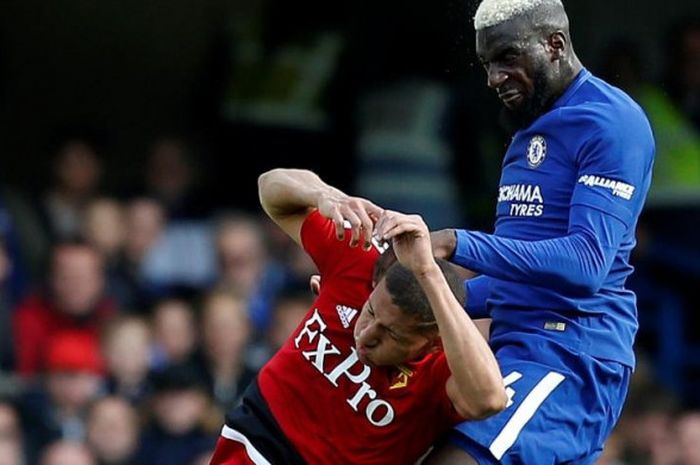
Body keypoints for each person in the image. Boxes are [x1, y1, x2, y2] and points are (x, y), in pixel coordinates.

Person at [421, 1, 655, 464]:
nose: (494, 77)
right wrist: (412, 288)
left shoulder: (610, 122)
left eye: (507, 56)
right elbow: (518, 282)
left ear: (555, 45)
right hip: (517, 348)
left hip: (568, 354)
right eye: (487, 64)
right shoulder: (528, 135)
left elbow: (586, 263)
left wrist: (455, 243)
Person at [209, 168, 507, 465]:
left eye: (392, 334)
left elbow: (490, 399)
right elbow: (269, 189)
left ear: (431, 344)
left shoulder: (445, 367)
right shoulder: (359, 258)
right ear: (376, 283)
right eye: (370, 311)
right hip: (255, 442)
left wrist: (427, 270)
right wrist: (327, 196)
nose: (365, 335)